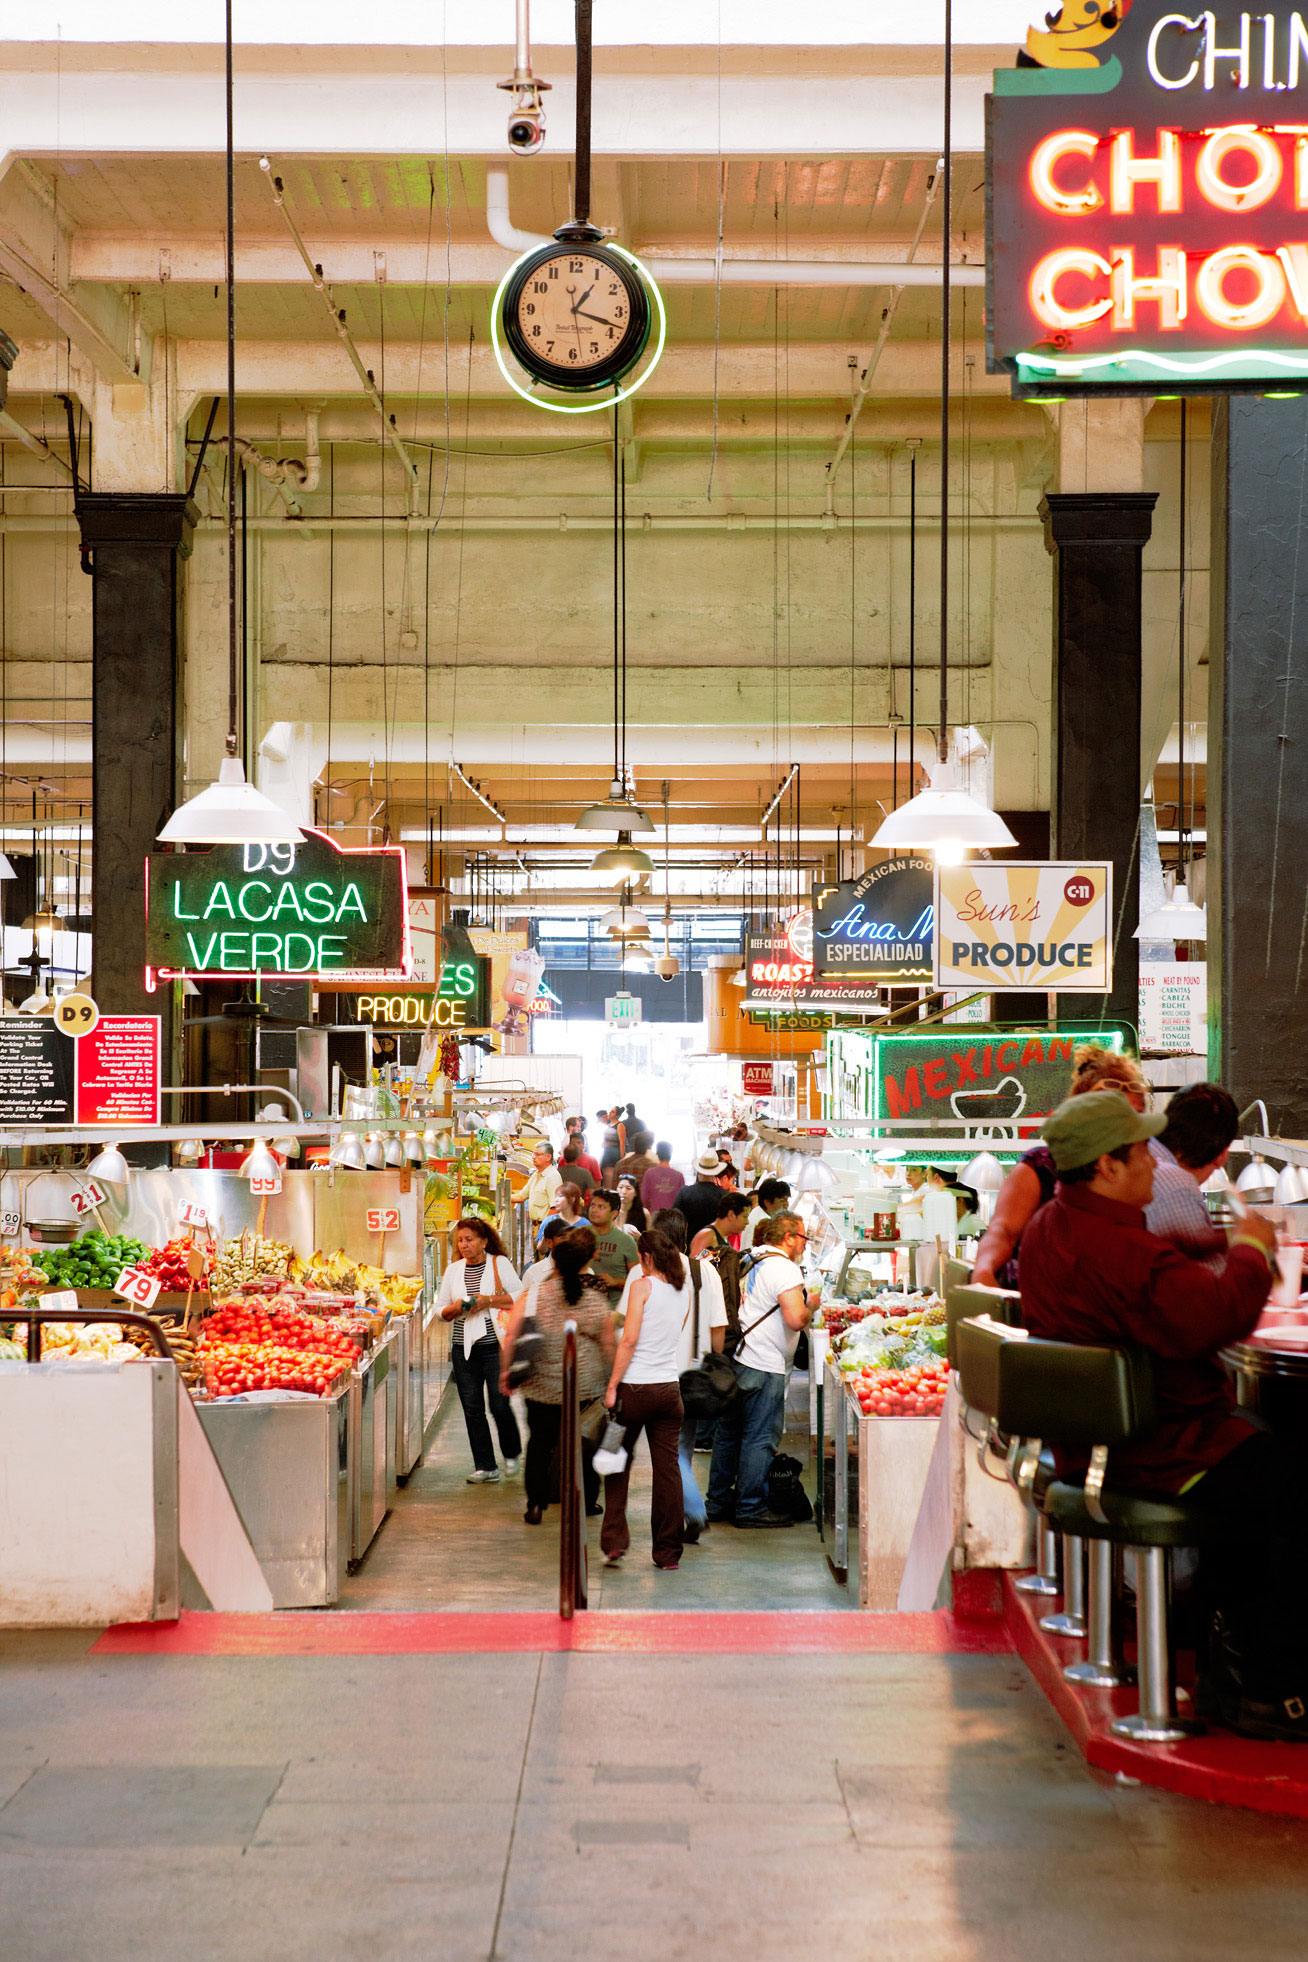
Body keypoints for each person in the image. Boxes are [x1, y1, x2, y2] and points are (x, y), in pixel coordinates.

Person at [1017, 1091, 1303, 1740]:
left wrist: (1203, 1249)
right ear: (1106, 1167)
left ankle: (1230, 1675)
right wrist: (1254, 1248)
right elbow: (1214, 1318)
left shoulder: (1052, 1229)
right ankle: (1278, 1685)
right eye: (1141, 1150)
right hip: (1164, 1452)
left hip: (1100, 1446)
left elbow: (1154, 1289)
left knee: (1263, 1466)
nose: (1155, 1162)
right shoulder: (1121, 1252)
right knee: (1292, 1486)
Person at [972, 1045, 1150, 1286]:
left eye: (1135, 1116)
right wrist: (983, 1270)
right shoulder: (1042, 1167)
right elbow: (1003, 1229)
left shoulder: (1138, 1175)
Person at [500, 1225, 615, 1525]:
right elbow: (608, 1344)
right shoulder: (593, 1299)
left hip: (541, 1386)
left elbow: (512, 1333)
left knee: (539, 1442)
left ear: (554, 1263)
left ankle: (536, 1504)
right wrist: (613, 1381)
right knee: (584, 1444)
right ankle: (587, 1502)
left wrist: (505, 1370)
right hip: (585, 1387)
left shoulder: (534, 1294)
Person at [706, 1210, 814, 1527]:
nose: (805, 1244)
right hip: (764, 1363)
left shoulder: (751, 1259)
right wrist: (812, 1306)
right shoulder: (784, 1268)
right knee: (759, 1438)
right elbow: (795, 1319)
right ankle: (749, 1507)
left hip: (738, 1357)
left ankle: (718, 1503)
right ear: (789, 1237)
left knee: (729, 1435)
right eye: (803, 1237)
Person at [601, 1227, 690, 1570]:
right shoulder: (683, 1292)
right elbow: (673, 1334)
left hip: (634, 1391)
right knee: (668, 1471)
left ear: (646, 1257)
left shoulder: (641, 1287)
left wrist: (612, 1386)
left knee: (616, 1463)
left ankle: (614, 1543)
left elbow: (630, 1340)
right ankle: (668, 1553)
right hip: (669, 1390)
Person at [648, 1207, 728, 1542]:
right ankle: (682, 1513)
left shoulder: (651, 1273)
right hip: (695, 1377)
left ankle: (693, 1512)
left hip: (659, 1374)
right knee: (684, 1448)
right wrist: (715, 1364)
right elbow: (718, 1326)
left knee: (671, 1453)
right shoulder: (703, 1270)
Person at [434, 1217, 523, 1483]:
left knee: (498, 1403)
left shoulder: (499, 1263)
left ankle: (511, 1451)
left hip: (494, 1346)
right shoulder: (453, 1271)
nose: (464, 1245)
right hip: (463, 1348)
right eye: (460, 1240)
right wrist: (456, 1307)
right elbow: (441, 1310)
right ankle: (485, 1465)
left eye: (470, 1239)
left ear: (484, 1241)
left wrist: (488, 1301)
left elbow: (520, 1295)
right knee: (472, 1407)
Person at [1145, 1081, 1239, 1268]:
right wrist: (1254, 1246)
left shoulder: (1150, 1153)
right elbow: (1211, 1284)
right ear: (1222, 1156)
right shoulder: (1177, 1187)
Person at [691, 1190, 749, 1333]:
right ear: (731, 1215)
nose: (747, 1222)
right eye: (745, 1216)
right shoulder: (708, 1236)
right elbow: (693, 1268)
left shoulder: (721, 1237)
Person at [586, 1188, 641, 1305]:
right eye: (592, 1205)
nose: (594, 1210)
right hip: (583, 1305)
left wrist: (615, 1281)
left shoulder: (626, 1241)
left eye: (601, 1207)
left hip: (614, 1307)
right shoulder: (580, 1235)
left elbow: (638, 1281)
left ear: (614, 1213)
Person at [675, 1151, 738, 1241]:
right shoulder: (724, 1196)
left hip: (690, 1245)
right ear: (716, 1172)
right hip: (716, 1246)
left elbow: (675, 1221)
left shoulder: (684, 1193)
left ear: (698, 1171)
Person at [524, 1140, 562, 1231]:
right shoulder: (536, 1174)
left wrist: (543, 1230)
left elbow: (555, 1208)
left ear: (548, 1157)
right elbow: (521, 1196)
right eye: (533, 1154)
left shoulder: (553, 1177)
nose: (533, 1157)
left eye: (537, 1155)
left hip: (545, 1228)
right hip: (536, 1226)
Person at [521, 1215, 568, 1287]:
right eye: (563, 1238)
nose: (568, 1242)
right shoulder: (533, 1274)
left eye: (571, 1237)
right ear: (549, 1242)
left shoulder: (581, 1271)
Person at [641, 1141, 686, 1215]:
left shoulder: (649, 1173)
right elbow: (682, 1201)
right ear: (670, 1155)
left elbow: (644, 1198)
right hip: (673, 1218)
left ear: (657, 1155)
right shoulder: (679, 1176)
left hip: (655, 1216)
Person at [744, 1177, 790, 1249]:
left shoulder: (757, 1210)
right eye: (782, 1201)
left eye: (787, 1200)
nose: (786, 1205)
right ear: (767, 1202)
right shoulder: (763, 1223)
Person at [564, 1112, 602, 1183]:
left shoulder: (591, 1160)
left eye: (580, 1126)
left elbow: (597, 1181)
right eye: (578, 1126)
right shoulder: (564, 1158)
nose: (580, 1129)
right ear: (571, 1127)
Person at [598, 1108, 623, 1176]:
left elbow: (622, 1143)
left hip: (614, 1155)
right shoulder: (610, 1125)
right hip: (609, 1153)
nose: (610, 1113)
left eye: (612, 1112)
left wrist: (622, 1158)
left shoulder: (618, 1125)